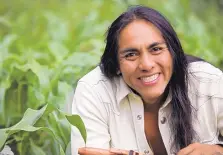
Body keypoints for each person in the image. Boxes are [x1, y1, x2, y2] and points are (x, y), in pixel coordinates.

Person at [71, 5, 223, 155]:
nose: (146, 65)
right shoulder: (94, 91)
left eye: (156, 49)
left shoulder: (209, 83)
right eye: (131, 54)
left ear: (173, 53)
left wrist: (217, 151)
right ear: (116, 64)